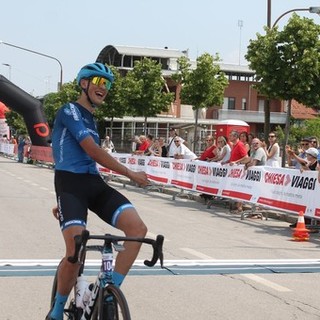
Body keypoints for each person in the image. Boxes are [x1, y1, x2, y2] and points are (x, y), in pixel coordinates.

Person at [46, 63, 149, 320]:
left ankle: (107, 291)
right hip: (70, 183)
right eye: (99, 82)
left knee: (138, 230)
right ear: (84, 84)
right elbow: (93, 151)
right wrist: (131, 174)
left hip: (93, 182)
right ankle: (57, 311)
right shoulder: (70, 109)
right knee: (74, 252)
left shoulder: (92, 118)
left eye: (108, 84)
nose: (105, 88)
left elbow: (90, 159)